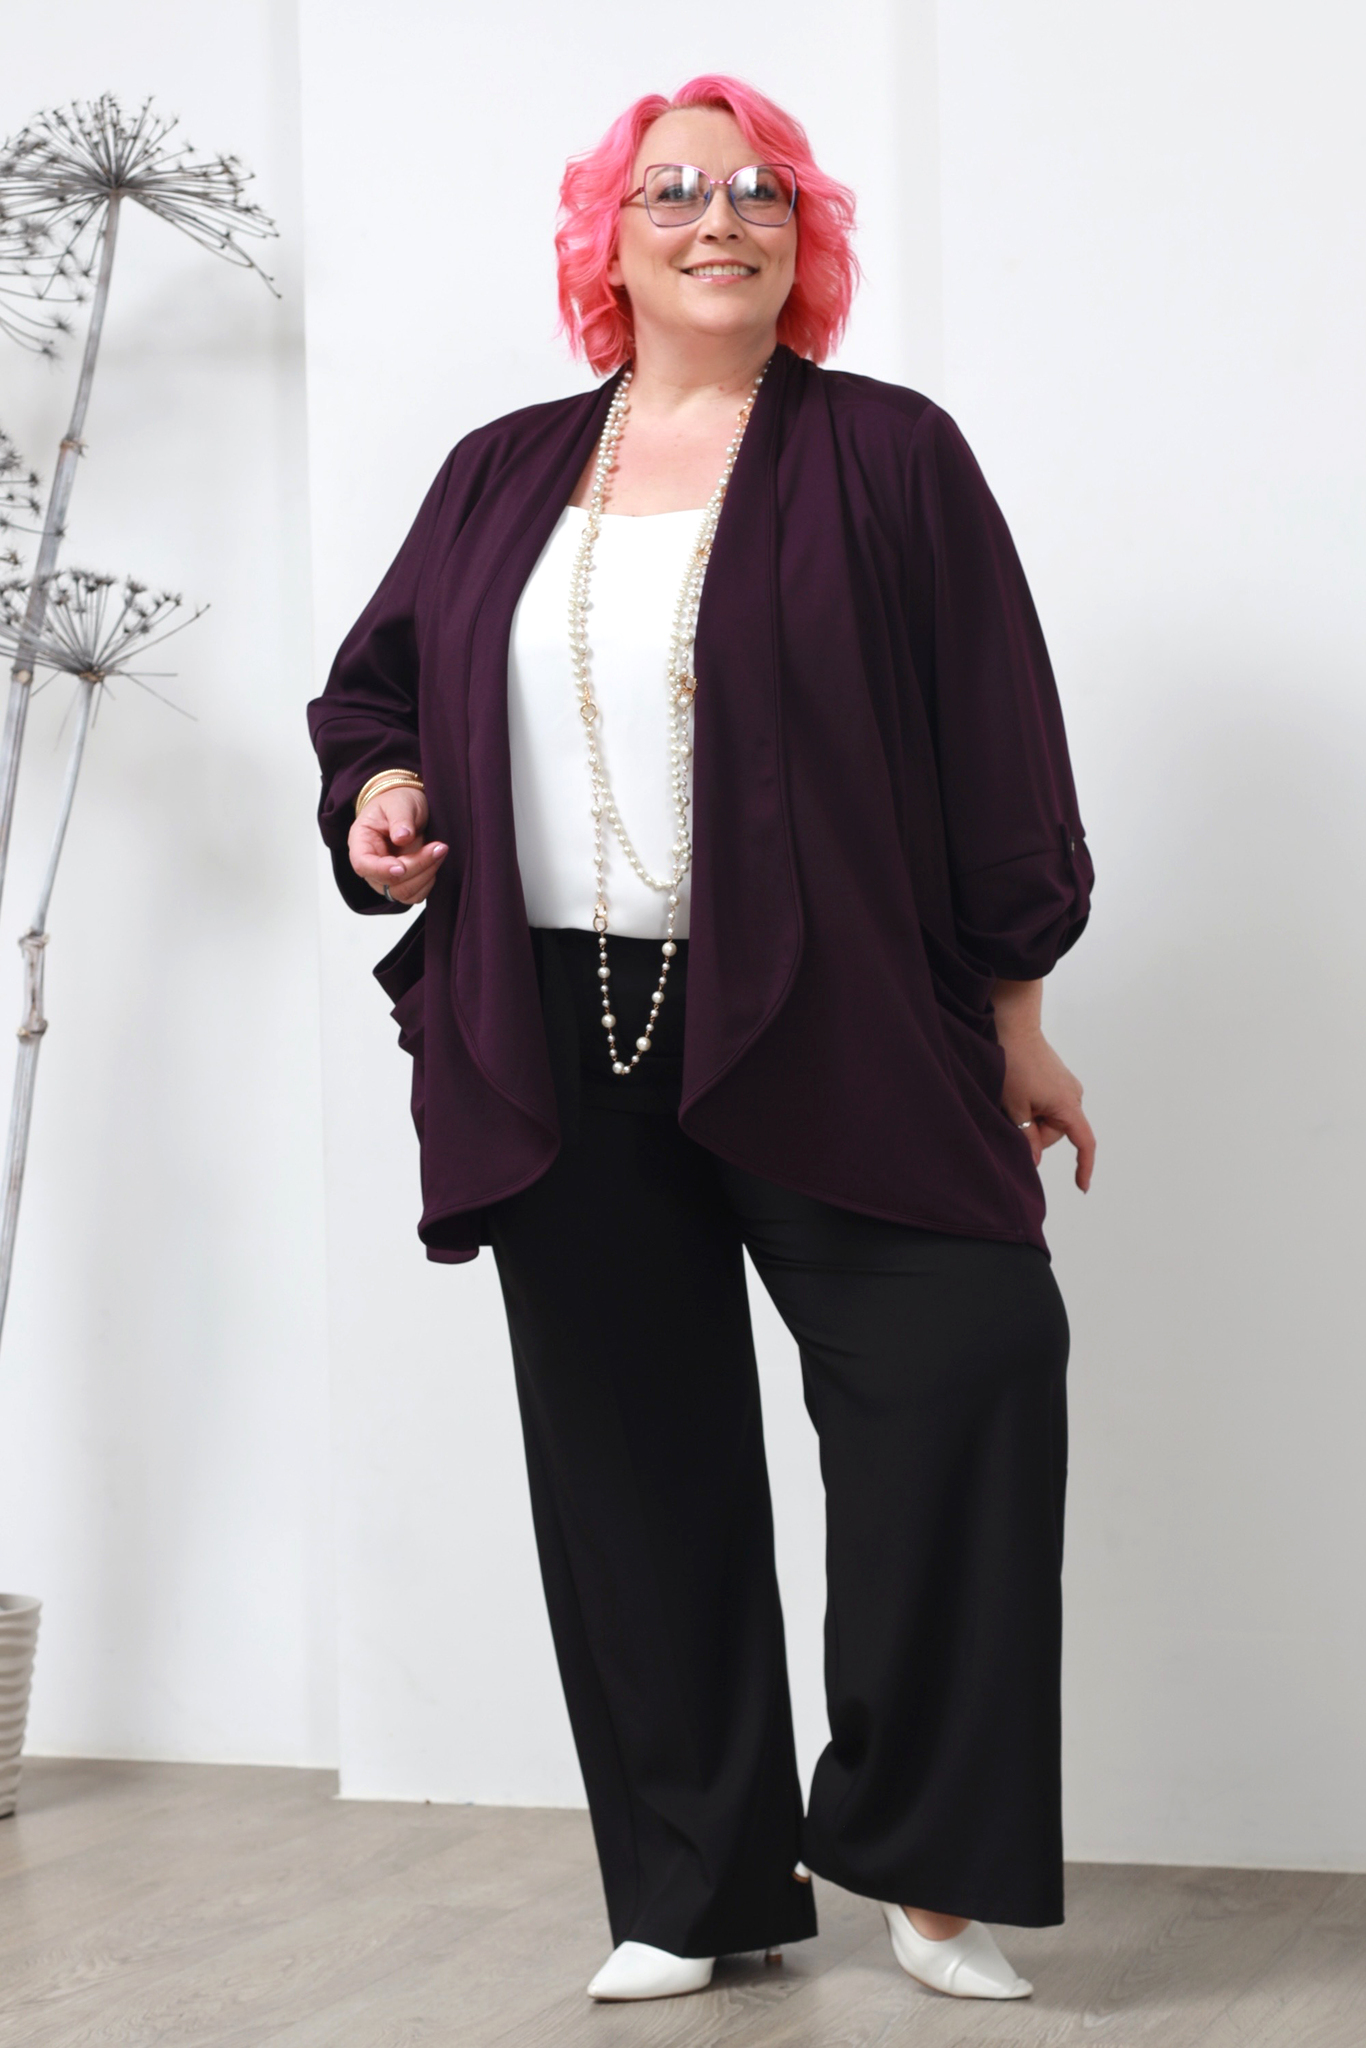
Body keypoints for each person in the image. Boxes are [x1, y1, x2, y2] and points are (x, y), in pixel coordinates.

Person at [307, 74, 1096, 2007]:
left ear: (801, 237)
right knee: (629, 1459)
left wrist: (1015, 1014)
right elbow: (377, 692)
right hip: (548, 1020)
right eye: (670, 192)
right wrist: (386, 789)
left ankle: (922, 1865)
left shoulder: (889, 455)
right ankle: (694, 1883)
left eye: (757, 192)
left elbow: (996, 736)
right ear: (609, 238)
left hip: (842, 1016)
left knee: (966, 1370)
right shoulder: (501, 470)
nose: (715, 220)